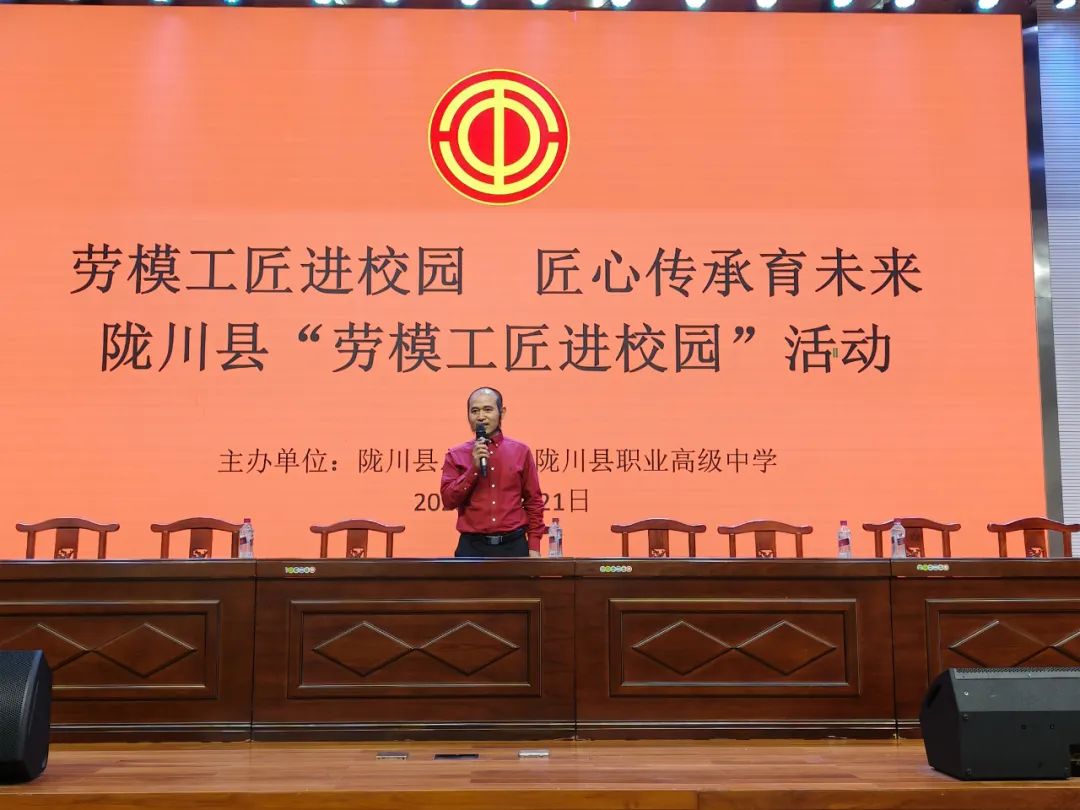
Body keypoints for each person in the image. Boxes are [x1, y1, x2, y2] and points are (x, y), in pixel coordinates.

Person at [440, 387, 545, 558]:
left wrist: (534, 546)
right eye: (475, 411)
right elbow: (448, 500)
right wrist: (473, 469)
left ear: (502, 412)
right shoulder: (456, 454)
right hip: (472, 548)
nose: (481, 416)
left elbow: (534, 502)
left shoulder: (521, 451)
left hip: (514, 546)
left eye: (487, 409)